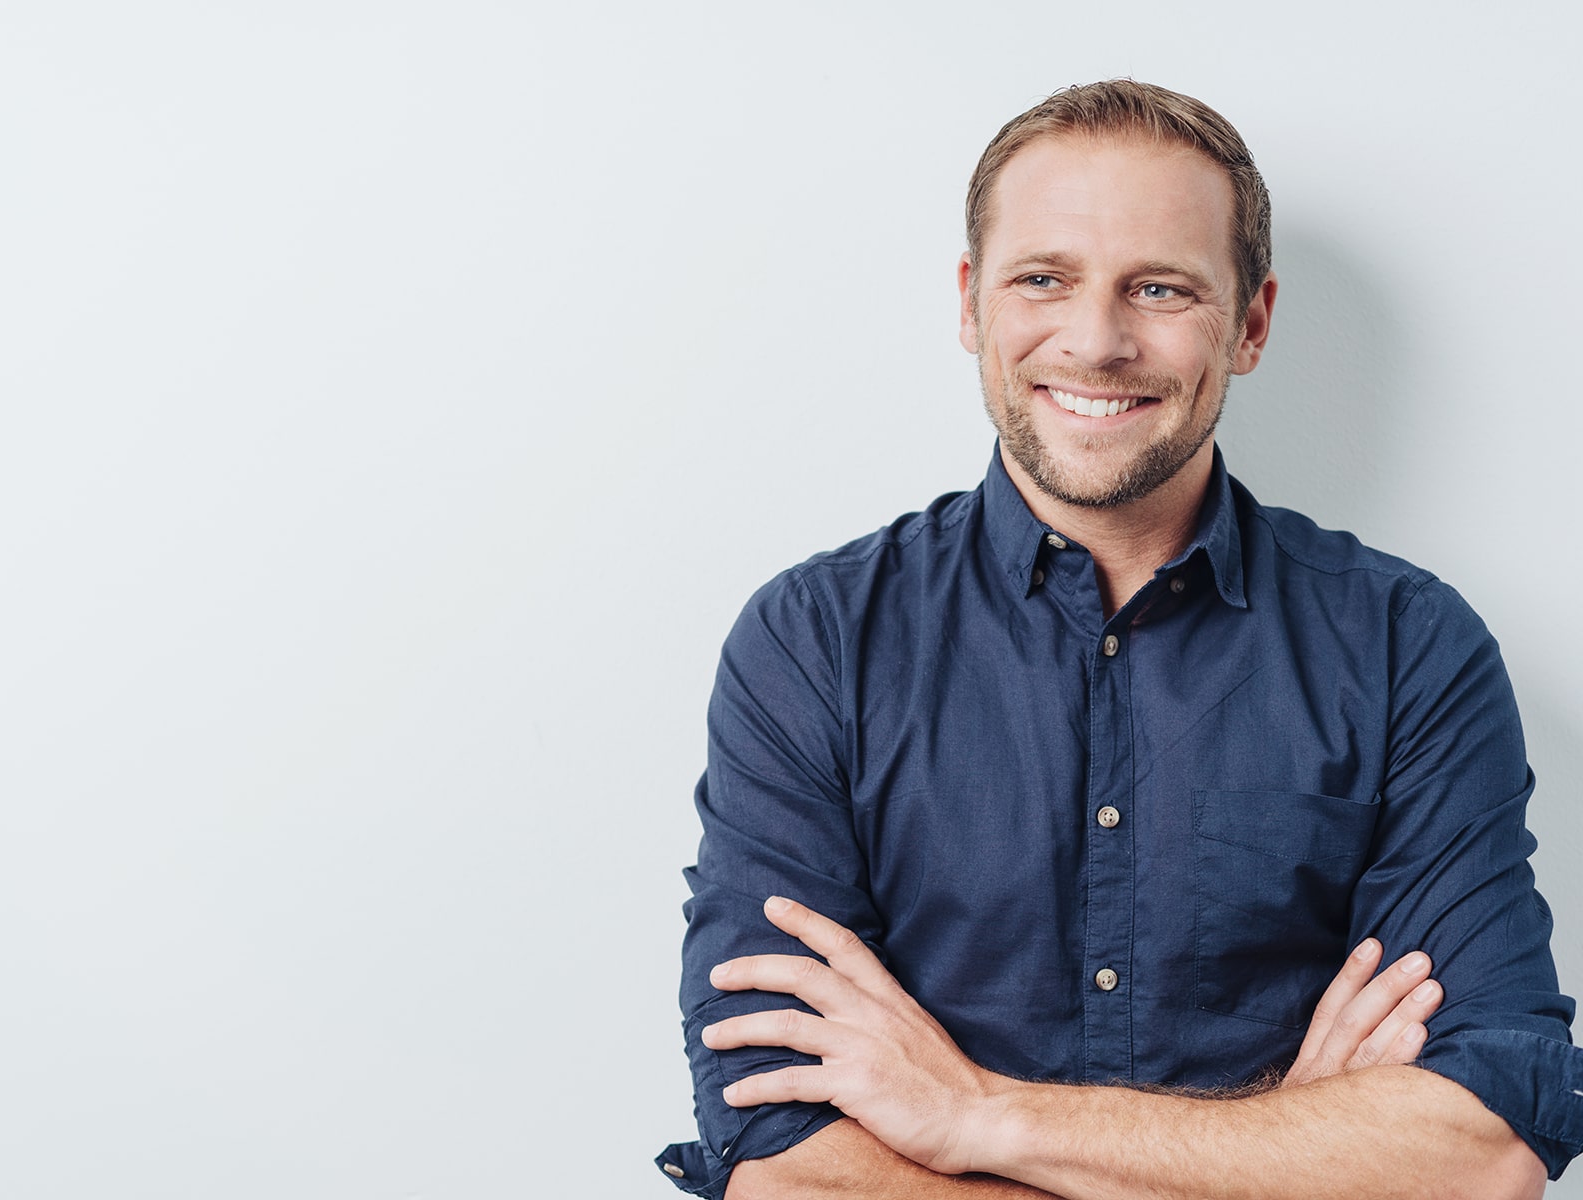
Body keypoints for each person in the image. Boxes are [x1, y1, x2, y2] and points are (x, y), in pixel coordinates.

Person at [656, 80, 1583, 1199]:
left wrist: (974, 1116)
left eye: (1159, 288)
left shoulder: (1407, 647)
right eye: (1042, 279)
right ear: (970, 304)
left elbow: (1481, 1148)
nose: (1095, 342)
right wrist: (1294, 1145)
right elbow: (783, 1160)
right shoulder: (813, 643)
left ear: (1248, 323)